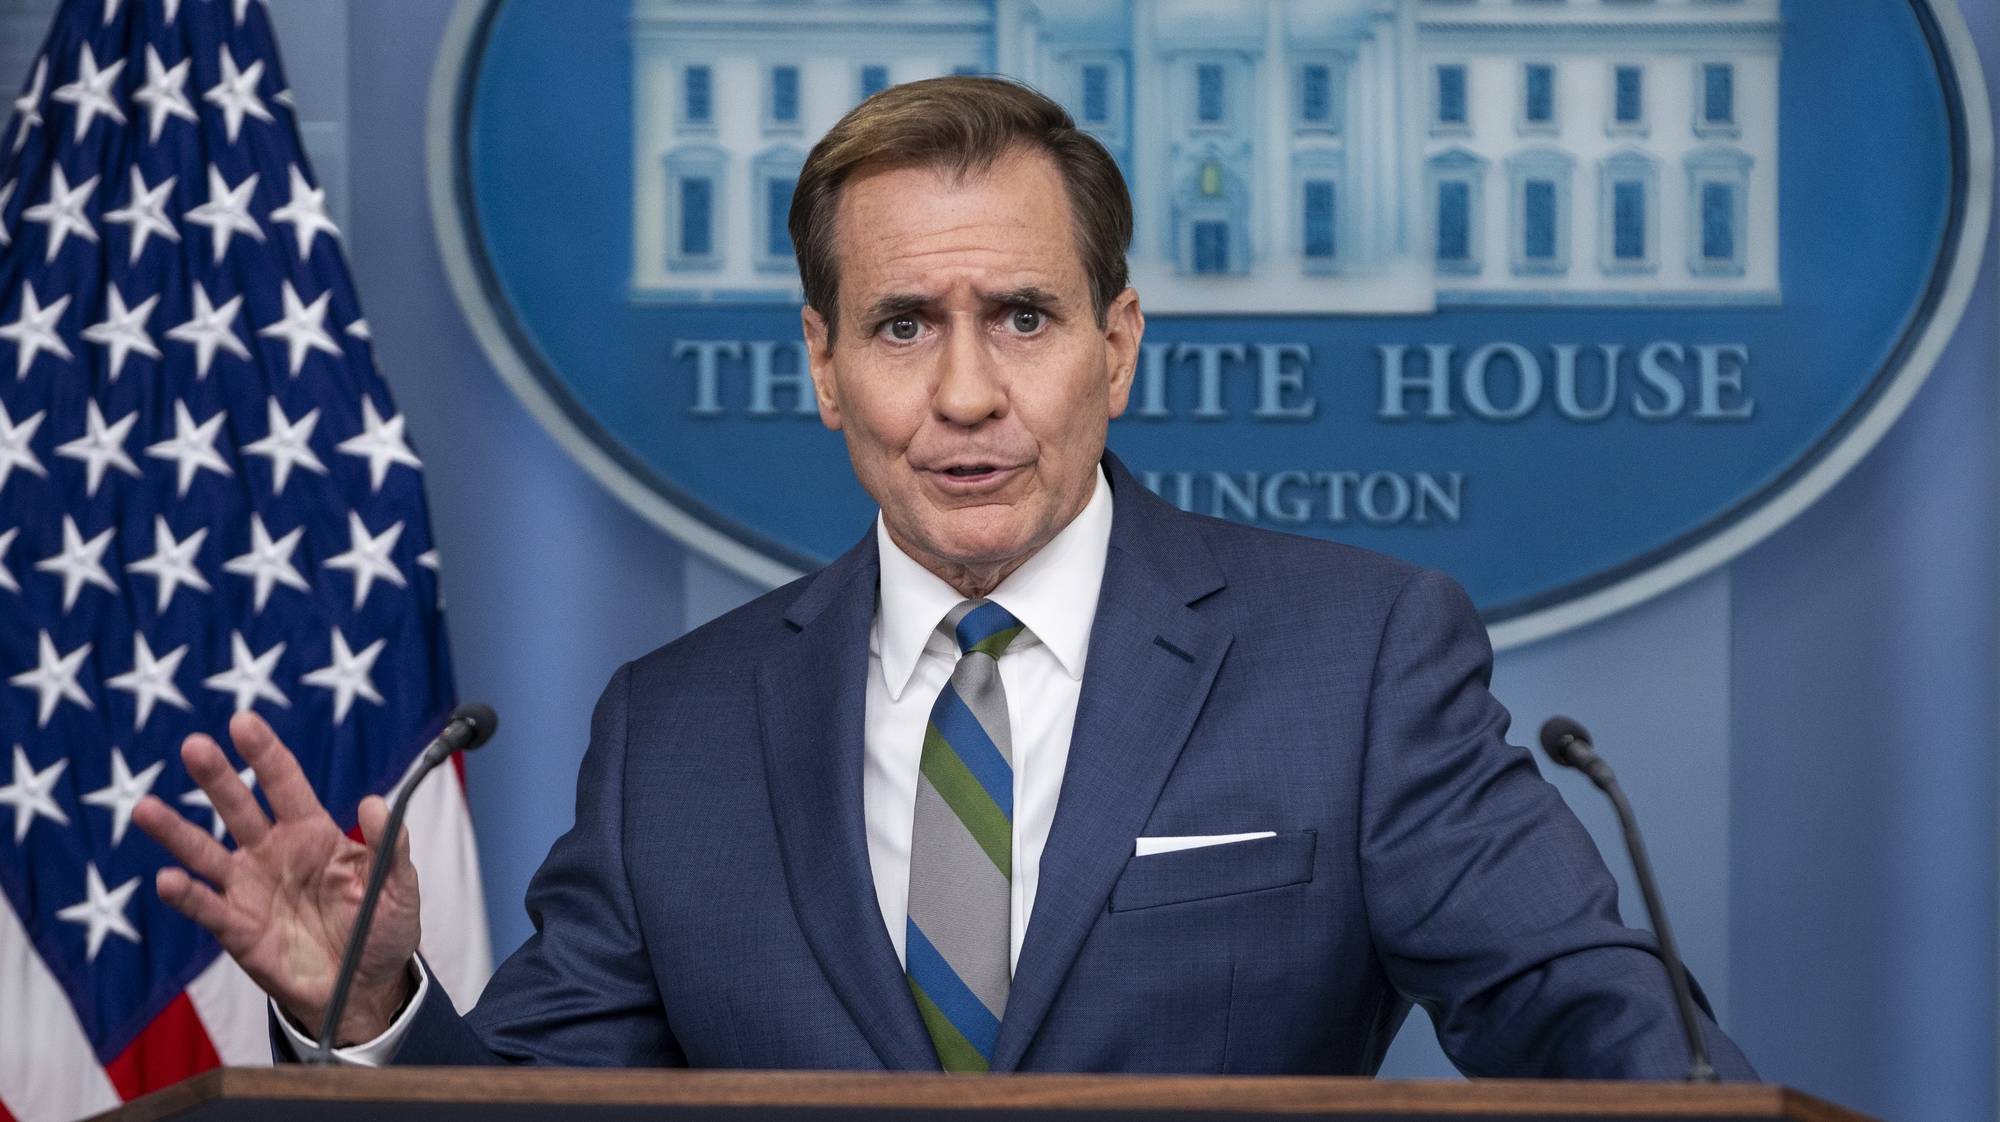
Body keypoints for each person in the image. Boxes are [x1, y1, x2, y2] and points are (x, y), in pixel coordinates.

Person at [135, 76, 1754, 1078]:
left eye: (1025, 320)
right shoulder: (676, 735)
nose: (966, 394)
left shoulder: (1357, 658)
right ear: (825, 366)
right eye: (906, 327)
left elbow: (1580, 1011)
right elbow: (543, 1105)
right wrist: (377, 1002)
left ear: (1118, 349)